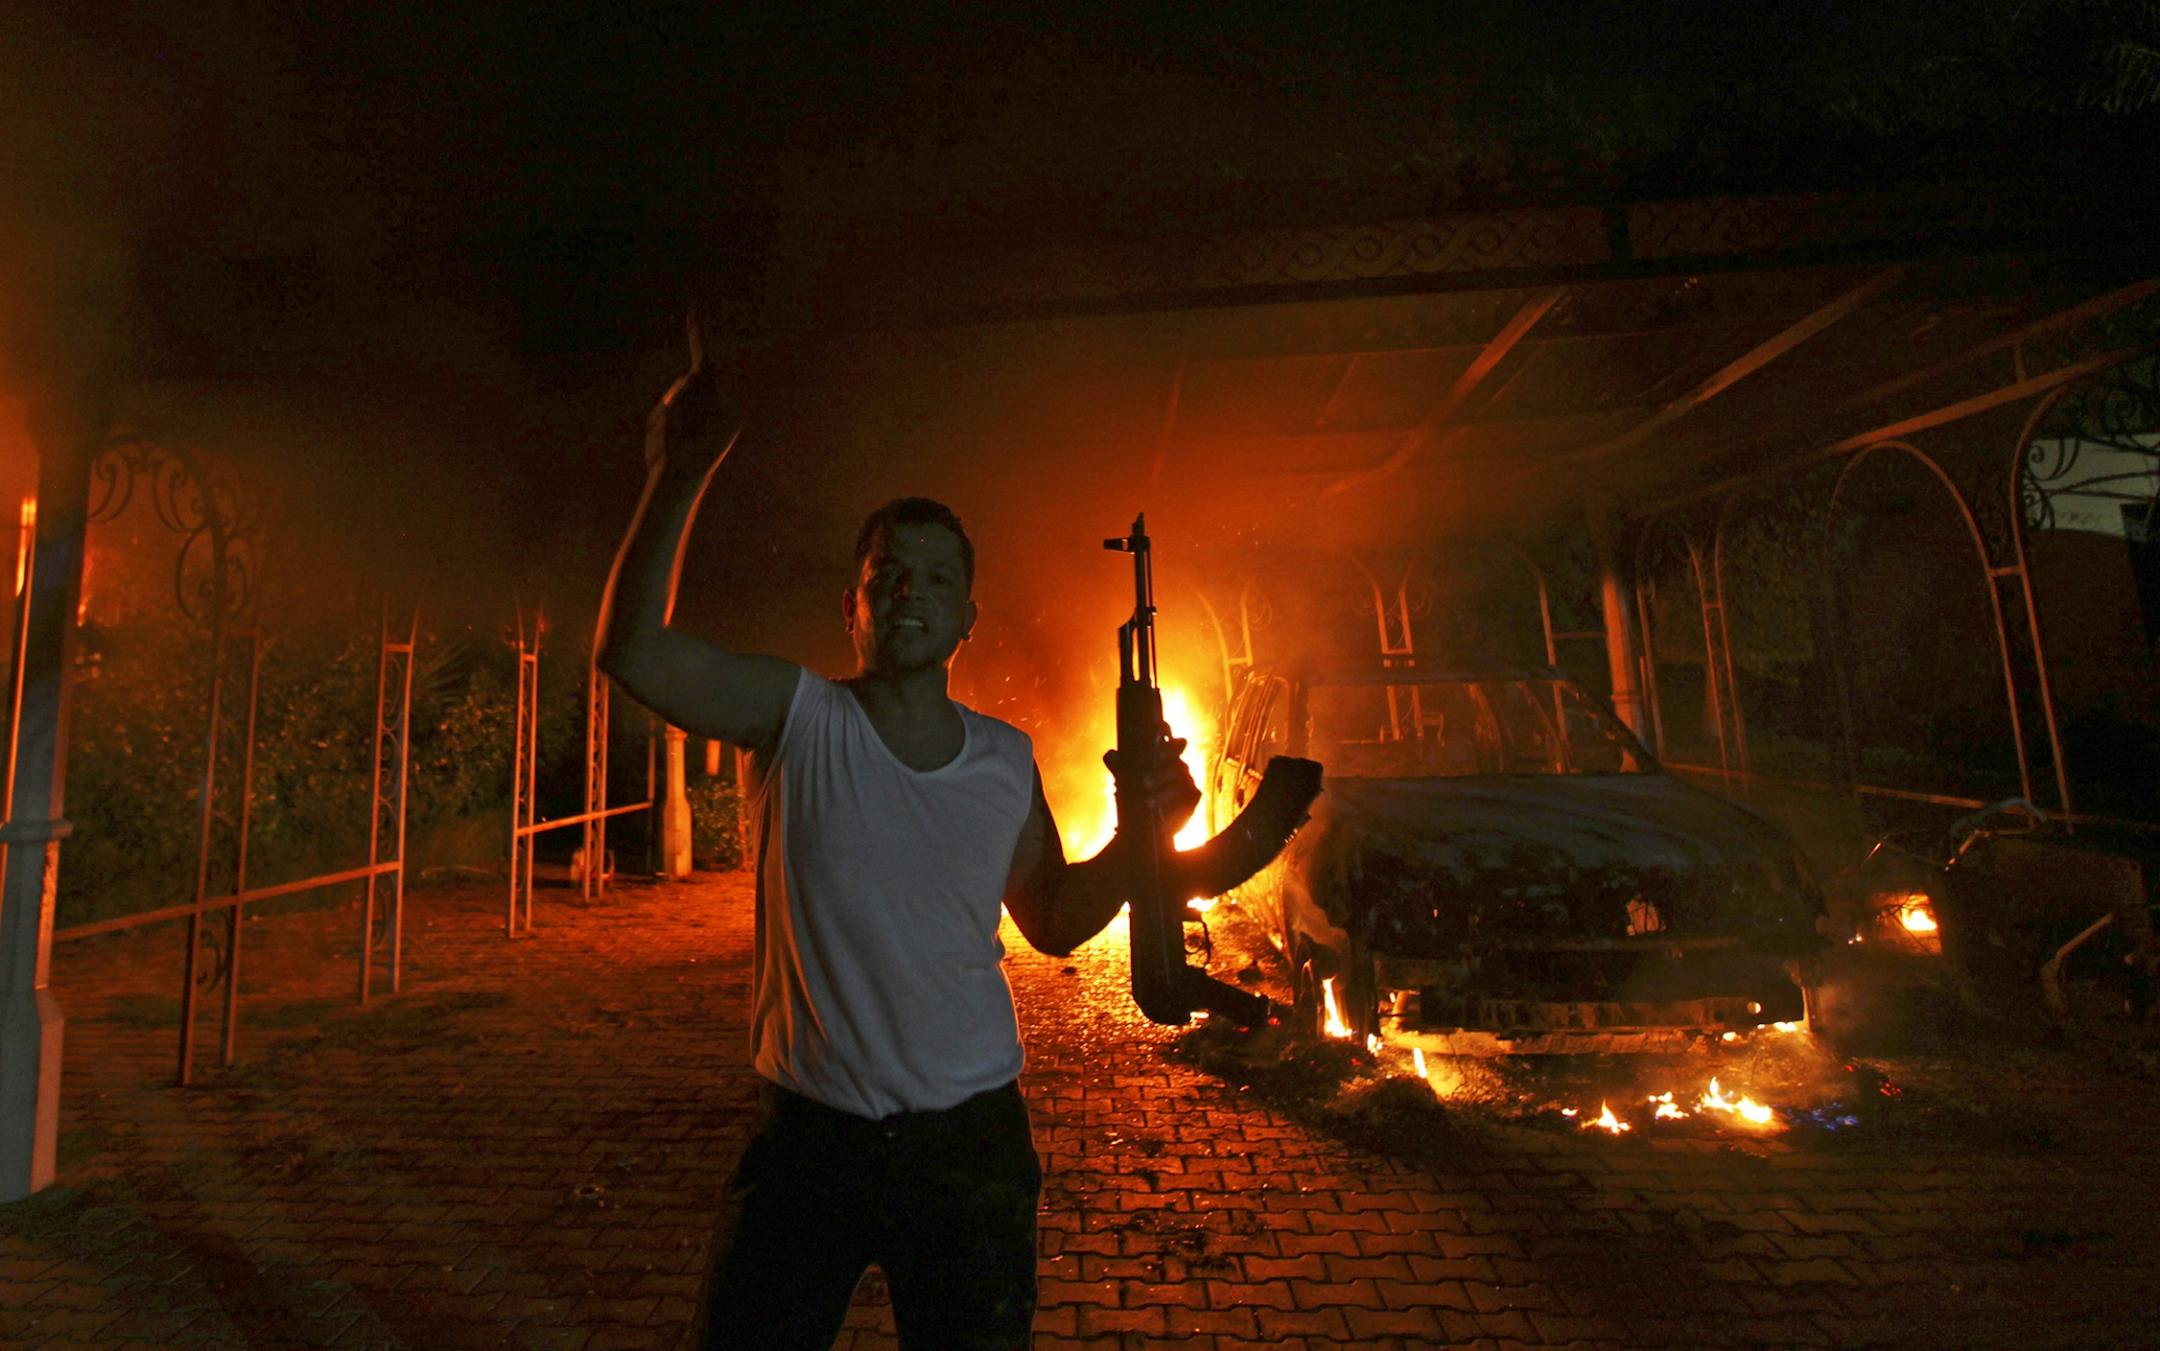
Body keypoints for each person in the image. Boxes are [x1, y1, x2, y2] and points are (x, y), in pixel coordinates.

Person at [595, 324, 1198, 1351]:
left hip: (970, 1147)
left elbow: (1053, 921)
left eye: (934, 576)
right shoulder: (795, 718)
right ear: (853, 607)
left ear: (969, 617)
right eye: (887, 573)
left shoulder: (1005, 759)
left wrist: (1148, 837)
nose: (909, 588)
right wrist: (677, 474)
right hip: (808, 1143)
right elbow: (635, 651)